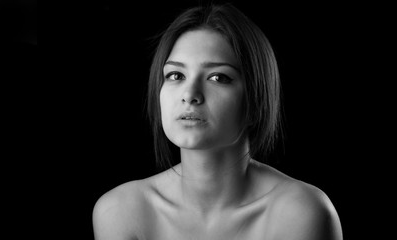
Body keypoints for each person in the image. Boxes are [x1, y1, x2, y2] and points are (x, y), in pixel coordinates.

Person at [93, 3, 343, 240]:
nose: (190, 95)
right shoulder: (120, 212)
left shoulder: (301, 214)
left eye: (218, 77)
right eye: (176, 75)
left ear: (257, 99)